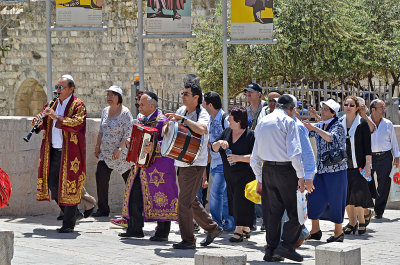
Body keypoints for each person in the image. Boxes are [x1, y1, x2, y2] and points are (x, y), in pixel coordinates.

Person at [165, 74, 222, 249]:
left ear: (196, 98)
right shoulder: (181, 110)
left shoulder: (202, 113)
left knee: (183, 202)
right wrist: (168, 126)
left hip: (195, 164)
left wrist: (182, 120)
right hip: (181, 162)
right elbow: (171, 129)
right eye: (182, 93)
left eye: (186, 94)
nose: (183, 96)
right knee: (191, 200)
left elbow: (203, 129)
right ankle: (212, 228)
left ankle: (188, 240)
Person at [251, 94, 306, 262]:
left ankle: (271, 250)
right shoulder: (289, 122)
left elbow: (255, 157)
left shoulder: (263, 122)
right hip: (286, 171)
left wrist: (259, 178)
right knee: (298, 211)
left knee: (272, 213)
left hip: (267, 170)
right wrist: (301, 176)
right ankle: (287, 245)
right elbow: (295, 153)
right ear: (292, 109)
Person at [119, 92, 178, 241]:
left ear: (152, 106)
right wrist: (129, 141)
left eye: (142, 104)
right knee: (134, 195)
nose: (139, 106)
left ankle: (162, 233)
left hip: (160, 167)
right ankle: (135, 228)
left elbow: (169, 142)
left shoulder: (163, 121)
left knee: (161, 198)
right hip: (140, 167)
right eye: (139, 104)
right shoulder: (142, 120)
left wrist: (154, 146)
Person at [34, 74, 86, 233]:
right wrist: (37, 121)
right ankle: (73, 212)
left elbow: (77, 123)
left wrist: (56, 116)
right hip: (53, 151)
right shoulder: (52, 103)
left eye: (61, 87)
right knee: (52, 183)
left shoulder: (78, 105)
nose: (57, 90)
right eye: (56, 87)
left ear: (71, 89)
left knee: (69, 185)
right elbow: (43, 124)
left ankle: (68, 224)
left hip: (70, 153)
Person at [303, 99, 347, 242]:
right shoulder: (322, 124)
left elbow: (330, 138)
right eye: (322, 109)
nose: (322, 111)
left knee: (336, 200)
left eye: (326, 109)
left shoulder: (338, 126)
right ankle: (315, 230)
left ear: (333, 113)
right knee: (313, 197)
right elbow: (308, 133)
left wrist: (315, 128)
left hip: (336, 171)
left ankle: (338, 232)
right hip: (321, 170)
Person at [212, 105, 255, 242]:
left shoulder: (250, 135)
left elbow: (256, 157)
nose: (228, 118)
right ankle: (246, 227)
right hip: (230, 175)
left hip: (246, 175)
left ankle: (238, 231)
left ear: (238, 120)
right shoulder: (227, 132)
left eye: (231, 116)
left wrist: (239, 158)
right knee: (233, 201)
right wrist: (219, 142)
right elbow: (213, 148)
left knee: (241, 201)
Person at [280, 95, 317, 248]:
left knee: (293, 210)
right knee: (289, 209)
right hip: (284, 173)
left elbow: (308, 154)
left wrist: (308, 178)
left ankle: (297, 237)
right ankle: (295, 236)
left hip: (296, 175)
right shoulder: (282, 125)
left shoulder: (298, 127)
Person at [92, 86, 133, 217]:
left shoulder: (125, 113)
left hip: (121, 154)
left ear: (119, 97)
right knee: (100, 177)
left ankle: (133, 210)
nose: (109, 97)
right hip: (105, 153)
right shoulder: (105, 111)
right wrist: (97, 146)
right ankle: (103, 209)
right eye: (108, 95)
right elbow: (101, 130)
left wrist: (119, 148)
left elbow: (128, 133)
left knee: (130, 181)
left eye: (112, 95)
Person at [340, 96, 373, 235]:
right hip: (343, 166)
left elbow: (367, 147)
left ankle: (362, 222)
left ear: (357, 108)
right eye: (346, 104)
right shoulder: (339, 122)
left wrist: (367, 166)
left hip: (359, 166)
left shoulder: (362, 123)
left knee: (358, 195)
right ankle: (352, 222)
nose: (348, 107)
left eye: (351, 105)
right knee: (347, 196)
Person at [202, 91, 235, 232]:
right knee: (224, 195)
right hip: (214, 163)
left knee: (216, 193)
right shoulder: (208, 119)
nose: (202, 105)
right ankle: (229, 223)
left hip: (224, 162)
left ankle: (215, 224)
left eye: (203, 102)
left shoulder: (225, 119)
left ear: (209, 104)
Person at [370, 99, 400, 219]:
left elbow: (394, 141)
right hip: (369, 157)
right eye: (381, 108)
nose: (384, 110)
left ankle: (379, 211)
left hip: (385, 157)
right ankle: (365, 209)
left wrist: (396, 156)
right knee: (365, 182)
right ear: (373, 110)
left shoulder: (388, 123)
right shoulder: (364, 122)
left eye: (384, 107)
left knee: (383, 185)